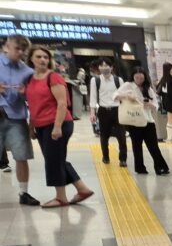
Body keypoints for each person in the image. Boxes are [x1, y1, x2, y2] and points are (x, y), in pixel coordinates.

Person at [24, 45, 93, 207]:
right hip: (41, 125)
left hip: (58, 123)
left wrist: (57, 127)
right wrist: (31, 126)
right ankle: (82, 189)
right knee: (55, 158)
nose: (42, 60)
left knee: (53, 161)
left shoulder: (53, 77)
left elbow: (62, 104)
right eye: (38, 57)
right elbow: (34, 105)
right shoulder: (30, 80)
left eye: (45, 57)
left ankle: (61, 197)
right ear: (31, 59)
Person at [0, 34, 39, 205]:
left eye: (24, 50)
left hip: (16, 117)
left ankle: (24, 193)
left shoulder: (28, 72)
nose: (21, 52)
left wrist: (26, 93)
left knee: (21, 156)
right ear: (6, 47)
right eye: (18, 48)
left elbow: (35, 96)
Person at [114, 66, 169, 176]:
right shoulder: (128, 85)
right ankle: (140, 168)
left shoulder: (148, 88)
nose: (139, 80)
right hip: (134, 121)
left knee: (153, 146)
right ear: (133, 77)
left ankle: (160, 167)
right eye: (137, 77)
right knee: (137, 146)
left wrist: (150, 105)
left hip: (148, 121)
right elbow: (114, 96)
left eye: (141, 78)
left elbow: (156, 105)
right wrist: (127, 96)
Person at [89, 58, 128, 167]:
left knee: (121, 136)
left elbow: (124, 95)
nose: (104, 68)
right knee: (104, 136)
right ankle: (105, 156)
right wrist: (92, 113)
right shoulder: (95, 80)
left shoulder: (118, 80)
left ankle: (123, 159)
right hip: (103, 110)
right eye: (101, 66)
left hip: (117, 110)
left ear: (111, 67)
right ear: (99, 68)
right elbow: (93, 97)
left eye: (107, 66)